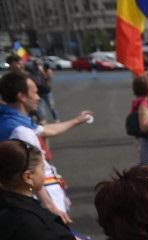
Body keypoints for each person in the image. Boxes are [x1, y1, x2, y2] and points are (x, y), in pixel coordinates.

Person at [0, 70, 92, 223]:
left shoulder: (10, 120)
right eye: (35, 93)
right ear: (21, 96)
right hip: (39, 194)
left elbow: (47, 130)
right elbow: (31, 171)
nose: (38, 97)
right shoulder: (21, 131)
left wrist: (77, 120)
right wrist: (50, 204)